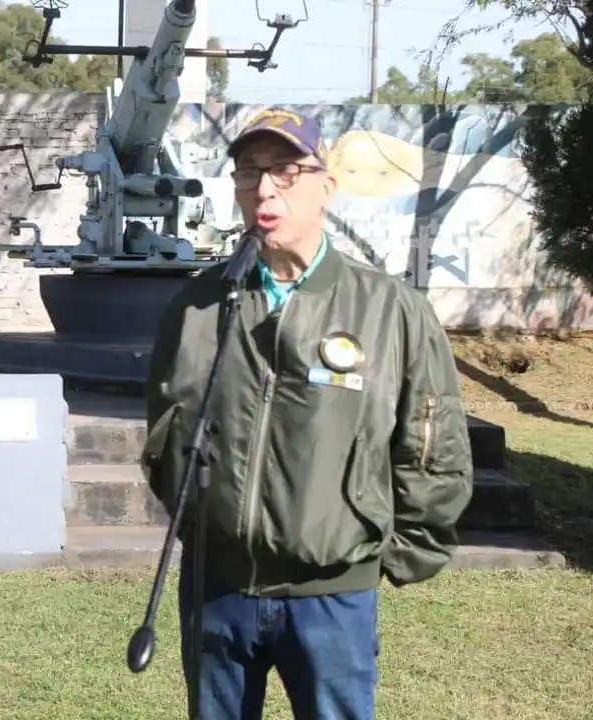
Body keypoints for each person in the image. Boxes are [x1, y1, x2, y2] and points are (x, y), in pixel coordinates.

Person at [141, 108, 475, 719]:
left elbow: (433, 448)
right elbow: (164, 431)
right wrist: (205, 528)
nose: (264, 189)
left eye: (286, 171)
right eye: (248, 173)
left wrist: (384, 556)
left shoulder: (390, 311)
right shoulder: (196, 306)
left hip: (332, 599)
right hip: (217, 590)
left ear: (327, 185)